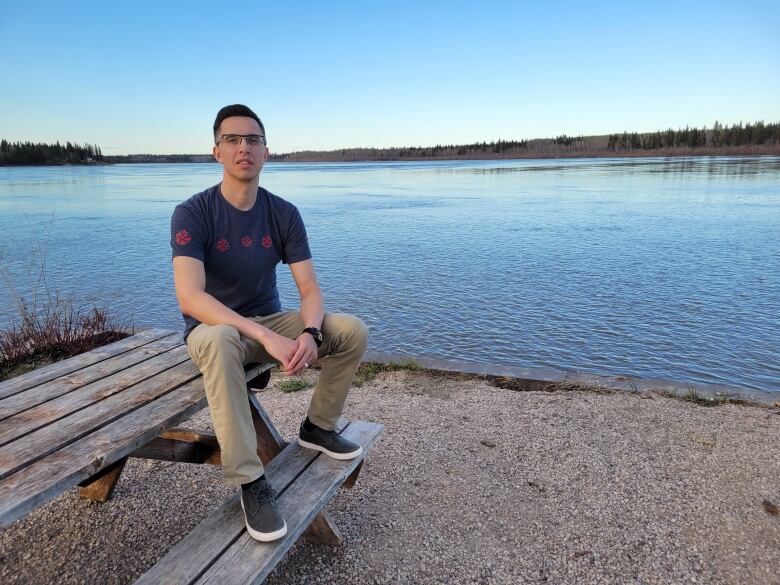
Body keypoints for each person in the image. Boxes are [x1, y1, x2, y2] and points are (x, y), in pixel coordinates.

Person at [170, 104, 368, 542]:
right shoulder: (193, 213)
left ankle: (318, 427)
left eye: (253, 140)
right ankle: (250, 481)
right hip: (214, 331)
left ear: (266, 152)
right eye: (232, 140)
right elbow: (191, 296)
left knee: (351, 330)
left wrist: (311, 333)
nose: (244, 148)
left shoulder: (283, 213)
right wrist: (263, 335)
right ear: (216, 152)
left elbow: (310, 290)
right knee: (222, 337)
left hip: (267, 324)